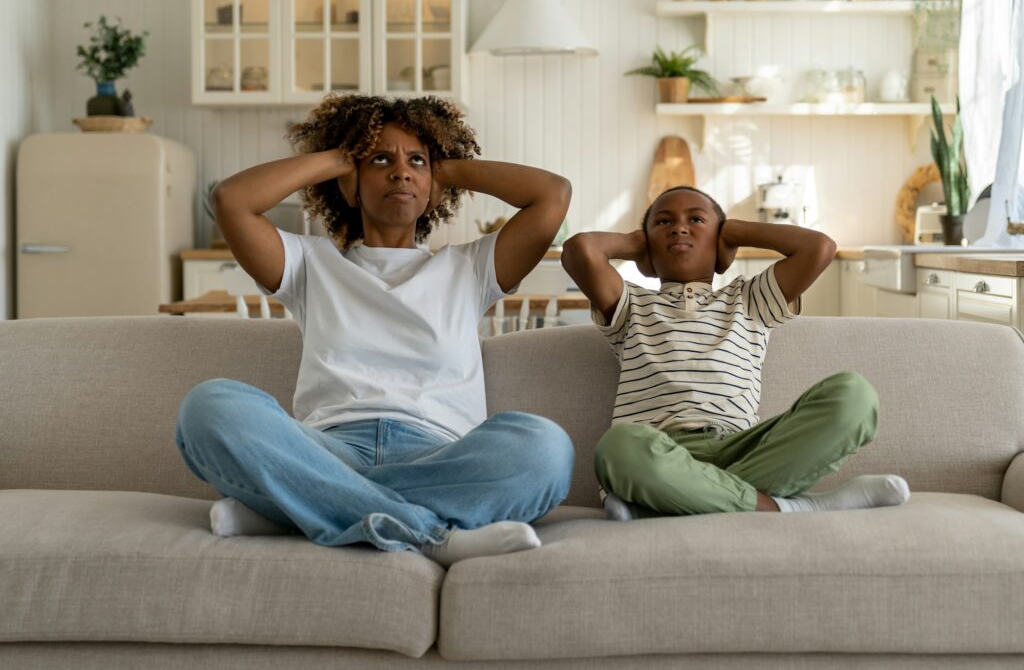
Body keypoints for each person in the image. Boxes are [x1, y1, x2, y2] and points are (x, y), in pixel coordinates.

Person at [175, 95, 575, 566]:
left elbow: (553, 194)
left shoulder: (470, 268)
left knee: (546, 448)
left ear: (434, 189)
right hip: (327, 449)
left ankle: (298, 510)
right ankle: (430, 533)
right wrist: (343, 156)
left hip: (440, 456)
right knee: (209, 407)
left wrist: (444, 169)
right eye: (380, 159)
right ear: (350, 186)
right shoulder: (309, 264)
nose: (400, 172)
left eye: (416, 162)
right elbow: (232, 200)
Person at [560, 185, 910, 520]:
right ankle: (787, 508)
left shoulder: (748, 300)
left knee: (854, 395)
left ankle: (665, 503)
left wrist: (735, 233)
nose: (679, 228)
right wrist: (641, 245)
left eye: (696, 220)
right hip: (659, 450)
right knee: (617, 447)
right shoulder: (631, 304)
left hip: (742, 448)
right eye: (663, 222)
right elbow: (579, 251)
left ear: (720, 242)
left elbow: (819, 248)